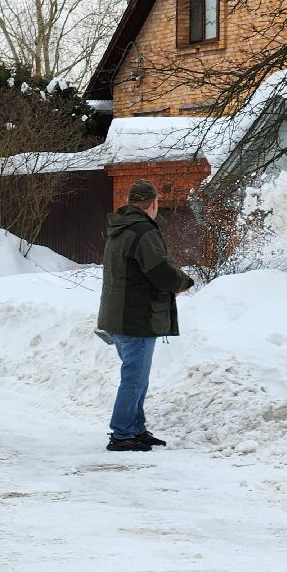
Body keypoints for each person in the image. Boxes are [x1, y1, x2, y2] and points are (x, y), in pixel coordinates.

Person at [96, 179, 196, 452]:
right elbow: (160, 271)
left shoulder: (120, 228)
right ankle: (122, 433)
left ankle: (135, 429)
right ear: (153, 204)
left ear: (131, 202)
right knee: (134, 377)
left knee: (137, 376)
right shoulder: (143, 231)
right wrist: (183, 282)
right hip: (136, 318)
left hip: (120, 316)